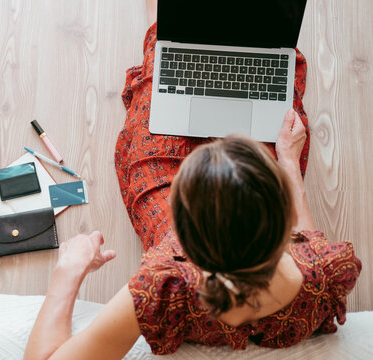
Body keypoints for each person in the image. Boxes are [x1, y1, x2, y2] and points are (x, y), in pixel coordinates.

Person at [23, 3, 362, 359]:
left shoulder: (162, 285)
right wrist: (288, 162)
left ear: (182, 235)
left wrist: (69, 270)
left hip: (176, 214)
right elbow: (309, 241)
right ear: (282, 223)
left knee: (161, 75)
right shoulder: (320, 273)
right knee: (275, 100)